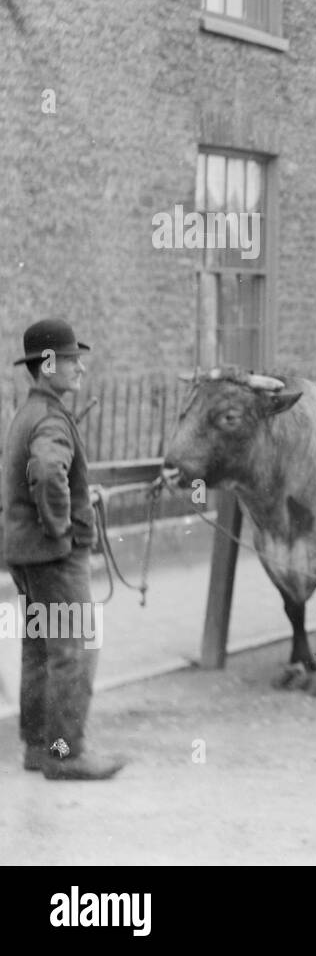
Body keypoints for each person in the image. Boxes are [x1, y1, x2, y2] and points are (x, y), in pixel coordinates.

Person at [4, 319, 124, 779]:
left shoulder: (28, 413)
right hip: (54, 557)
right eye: (73, 360)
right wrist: (62, 529)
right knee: (74, 649)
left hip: (26, 555)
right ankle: (66, 753)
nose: (80, 369)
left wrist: (80, 498)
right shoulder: (51, 418)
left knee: (40, 649)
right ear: (48, 364)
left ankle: (38, 747)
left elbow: (38, 475)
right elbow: (48, 471)